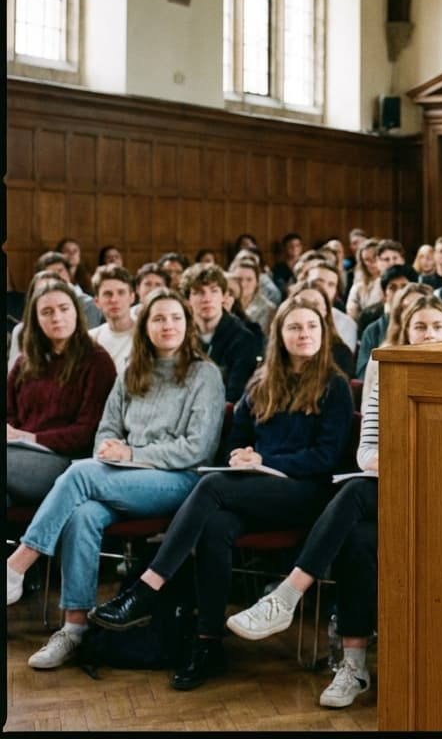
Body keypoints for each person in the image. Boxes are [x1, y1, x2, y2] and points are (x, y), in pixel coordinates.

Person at [87, 295, 353, 691]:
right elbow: (238, 438)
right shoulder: (262, 382)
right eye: (294, 327)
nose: (304, 334)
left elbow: (325, 458)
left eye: (312, 327)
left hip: (305, 495)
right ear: (279, 334)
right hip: (256, 489)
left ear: (324, 333)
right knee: (215, 525)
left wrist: (265, 459)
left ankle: (146, 589)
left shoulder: (335, 385)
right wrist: (242, 454)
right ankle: (208, 644)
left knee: (210, 485)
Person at [222, 294, 442, 709]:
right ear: (403, 333)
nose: (429, 335)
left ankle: (287, 597)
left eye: (437, 327)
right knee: (358, 537)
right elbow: (366, 449)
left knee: (351, 498)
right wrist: (381, 461)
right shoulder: (386, 370)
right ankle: (353, 666)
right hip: (390, 486)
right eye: (419, 327)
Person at [6, 288, 224, 669]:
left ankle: (17, 565)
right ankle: (75, 629)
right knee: (83, 513)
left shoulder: (205, 374)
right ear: (146, 327)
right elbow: (106, 429)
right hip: (123, 477)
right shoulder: (132, 372)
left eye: (175, 317)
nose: (167, 325)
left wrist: (132, 455)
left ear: (187, 324)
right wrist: (112, 449)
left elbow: (198, 449)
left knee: (79, 475)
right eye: (158, 319)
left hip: (179, 481)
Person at [7, 279, 118, 507]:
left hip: (67, 462)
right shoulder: (24, 363)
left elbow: (88, 432)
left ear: (76, 312)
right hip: (18, 453)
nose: (56, 317)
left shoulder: (97, 361)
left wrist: (30, 438)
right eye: (47, 312)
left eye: (64, 309)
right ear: (36, 320)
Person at [180, 263, 259, 404]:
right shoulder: (180, 336)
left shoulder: (244, 339)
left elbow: (235, 395)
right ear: (188, 301)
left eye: (214, 291)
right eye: (198, 292)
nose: (207, 299)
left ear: (224, 296)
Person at [88, 265, 137, 372]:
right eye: (107, 294)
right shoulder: (91, 339)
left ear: (132, 297)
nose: (114, 299)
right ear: (97, 302)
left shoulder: (147, 334)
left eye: (121, 293)